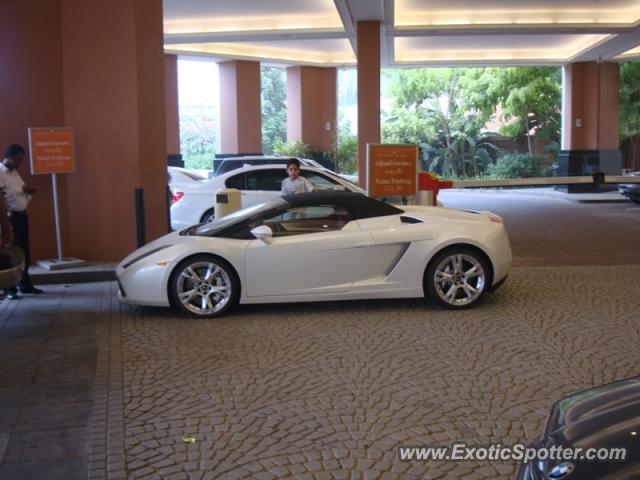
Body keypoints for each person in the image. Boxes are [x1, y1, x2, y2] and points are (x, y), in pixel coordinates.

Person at [0, 144, 43, 299]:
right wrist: (22, 191)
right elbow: (4, 196)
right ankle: (9, 289)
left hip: (21, 215)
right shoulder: (0, 172)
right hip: (8, 218)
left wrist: (27, 191)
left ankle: (25, 284)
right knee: (10, 251)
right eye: (18, 159)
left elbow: (21, 188)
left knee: (24, 251)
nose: (20, 163)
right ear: (10, 157)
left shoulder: (14, 172)